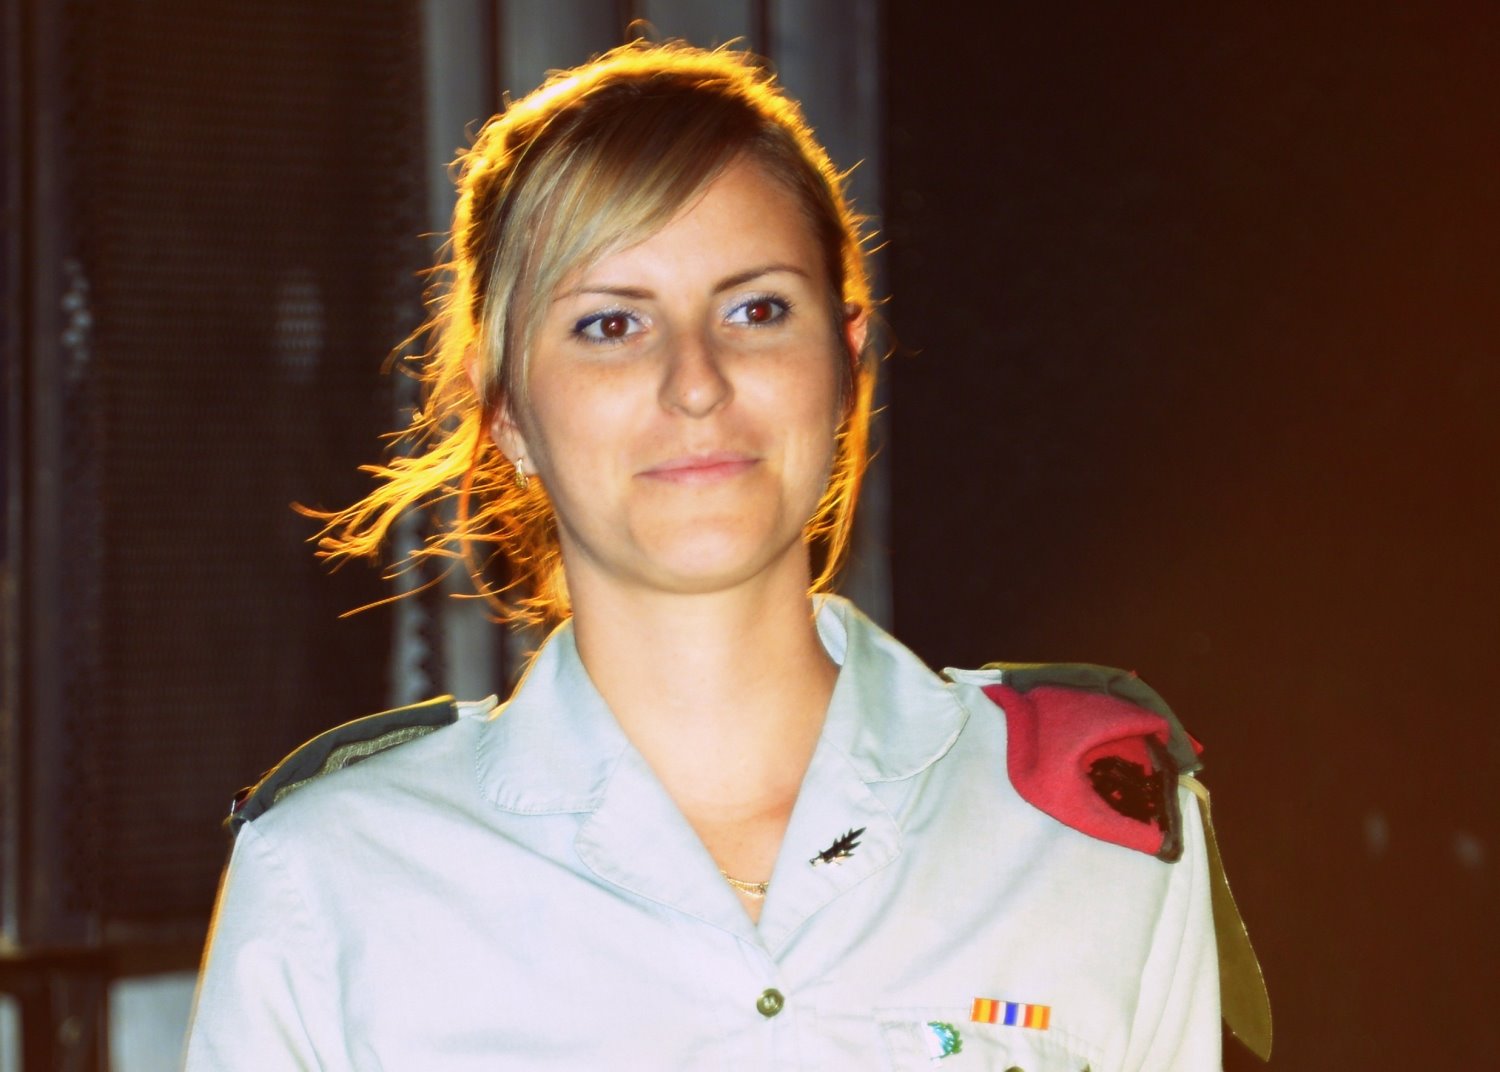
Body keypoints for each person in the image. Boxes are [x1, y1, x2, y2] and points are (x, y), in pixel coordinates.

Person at [185, 40, 1266, 1070]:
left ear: (845, 360)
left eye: (756, 308)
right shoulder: (334, 878)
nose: (696, 381)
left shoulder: (1096, 828)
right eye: (611, 324)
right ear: (505, 407)